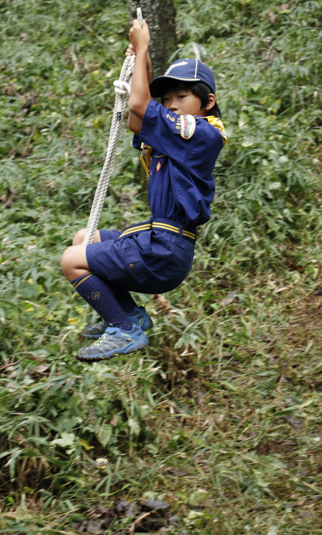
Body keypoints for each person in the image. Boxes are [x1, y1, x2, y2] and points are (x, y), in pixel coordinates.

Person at [60, 19, 226, 362]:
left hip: (166, 249)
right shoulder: (174, 138)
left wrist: (145, 47)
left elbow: (139, 107)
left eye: (182, 96)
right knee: (82, 239)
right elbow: (139, 120)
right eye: (167, 99)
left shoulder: (200, 134)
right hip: (157, 241)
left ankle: (123, 329)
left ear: (207, 101)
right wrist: (141, 59)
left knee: (70, 262)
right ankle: (129, 316)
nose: (173, 104)